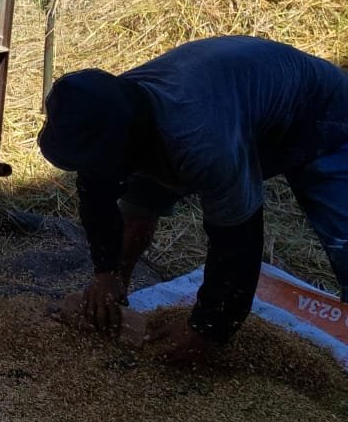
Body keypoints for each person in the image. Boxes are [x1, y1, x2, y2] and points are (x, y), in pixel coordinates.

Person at [38, 35, 348, 363]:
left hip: (321, 114)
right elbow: (97, 195)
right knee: (138, 200)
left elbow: (238, 242)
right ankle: (119, 288)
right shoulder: (108, 113)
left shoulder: (203, 144)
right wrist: (106, 274)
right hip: (226, 105)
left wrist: (207, 329)